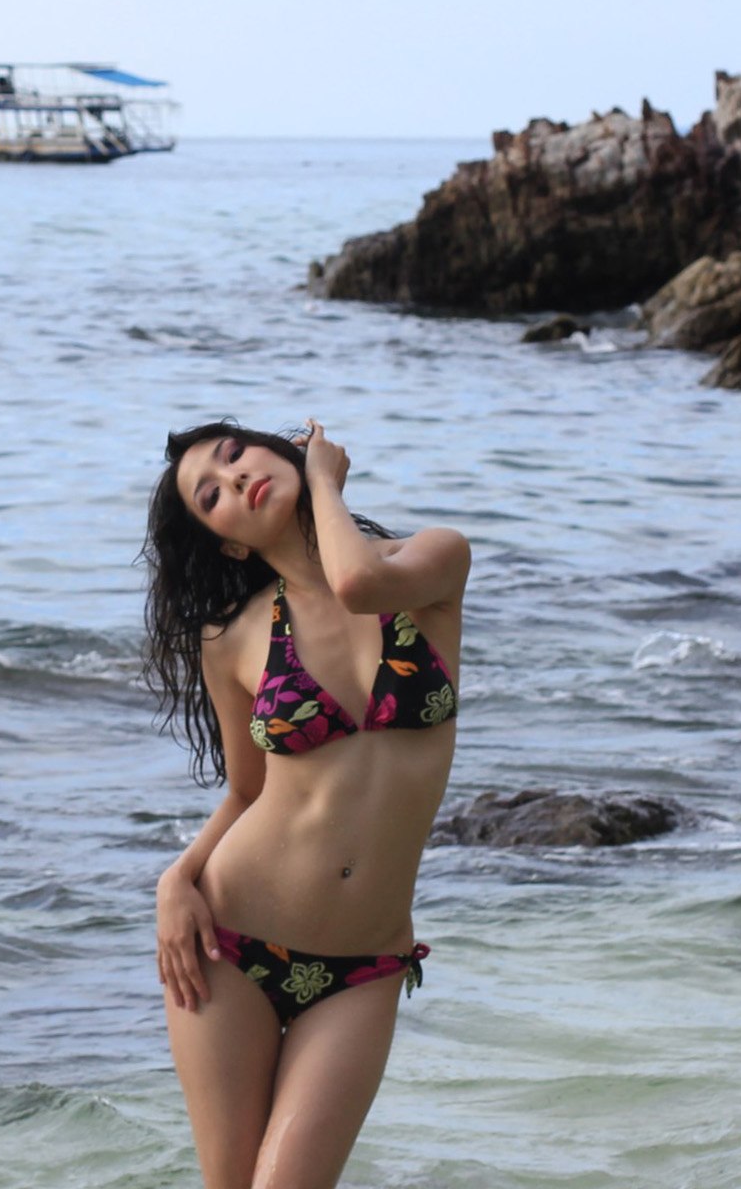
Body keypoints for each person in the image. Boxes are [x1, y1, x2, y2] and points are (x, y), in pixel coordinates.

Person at [141, 419, 469, 1189]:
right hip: (229, 945)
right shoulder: (233, 639)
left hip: (365, 962)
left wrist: (322, 485)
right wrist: (176, 881)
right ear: (228, 543)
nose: (234, 478)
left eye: (234, 455)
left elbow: (357, 586)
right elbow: (248, 792)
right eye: (210, 496)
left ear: (278, 447)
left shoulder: (432, 561)